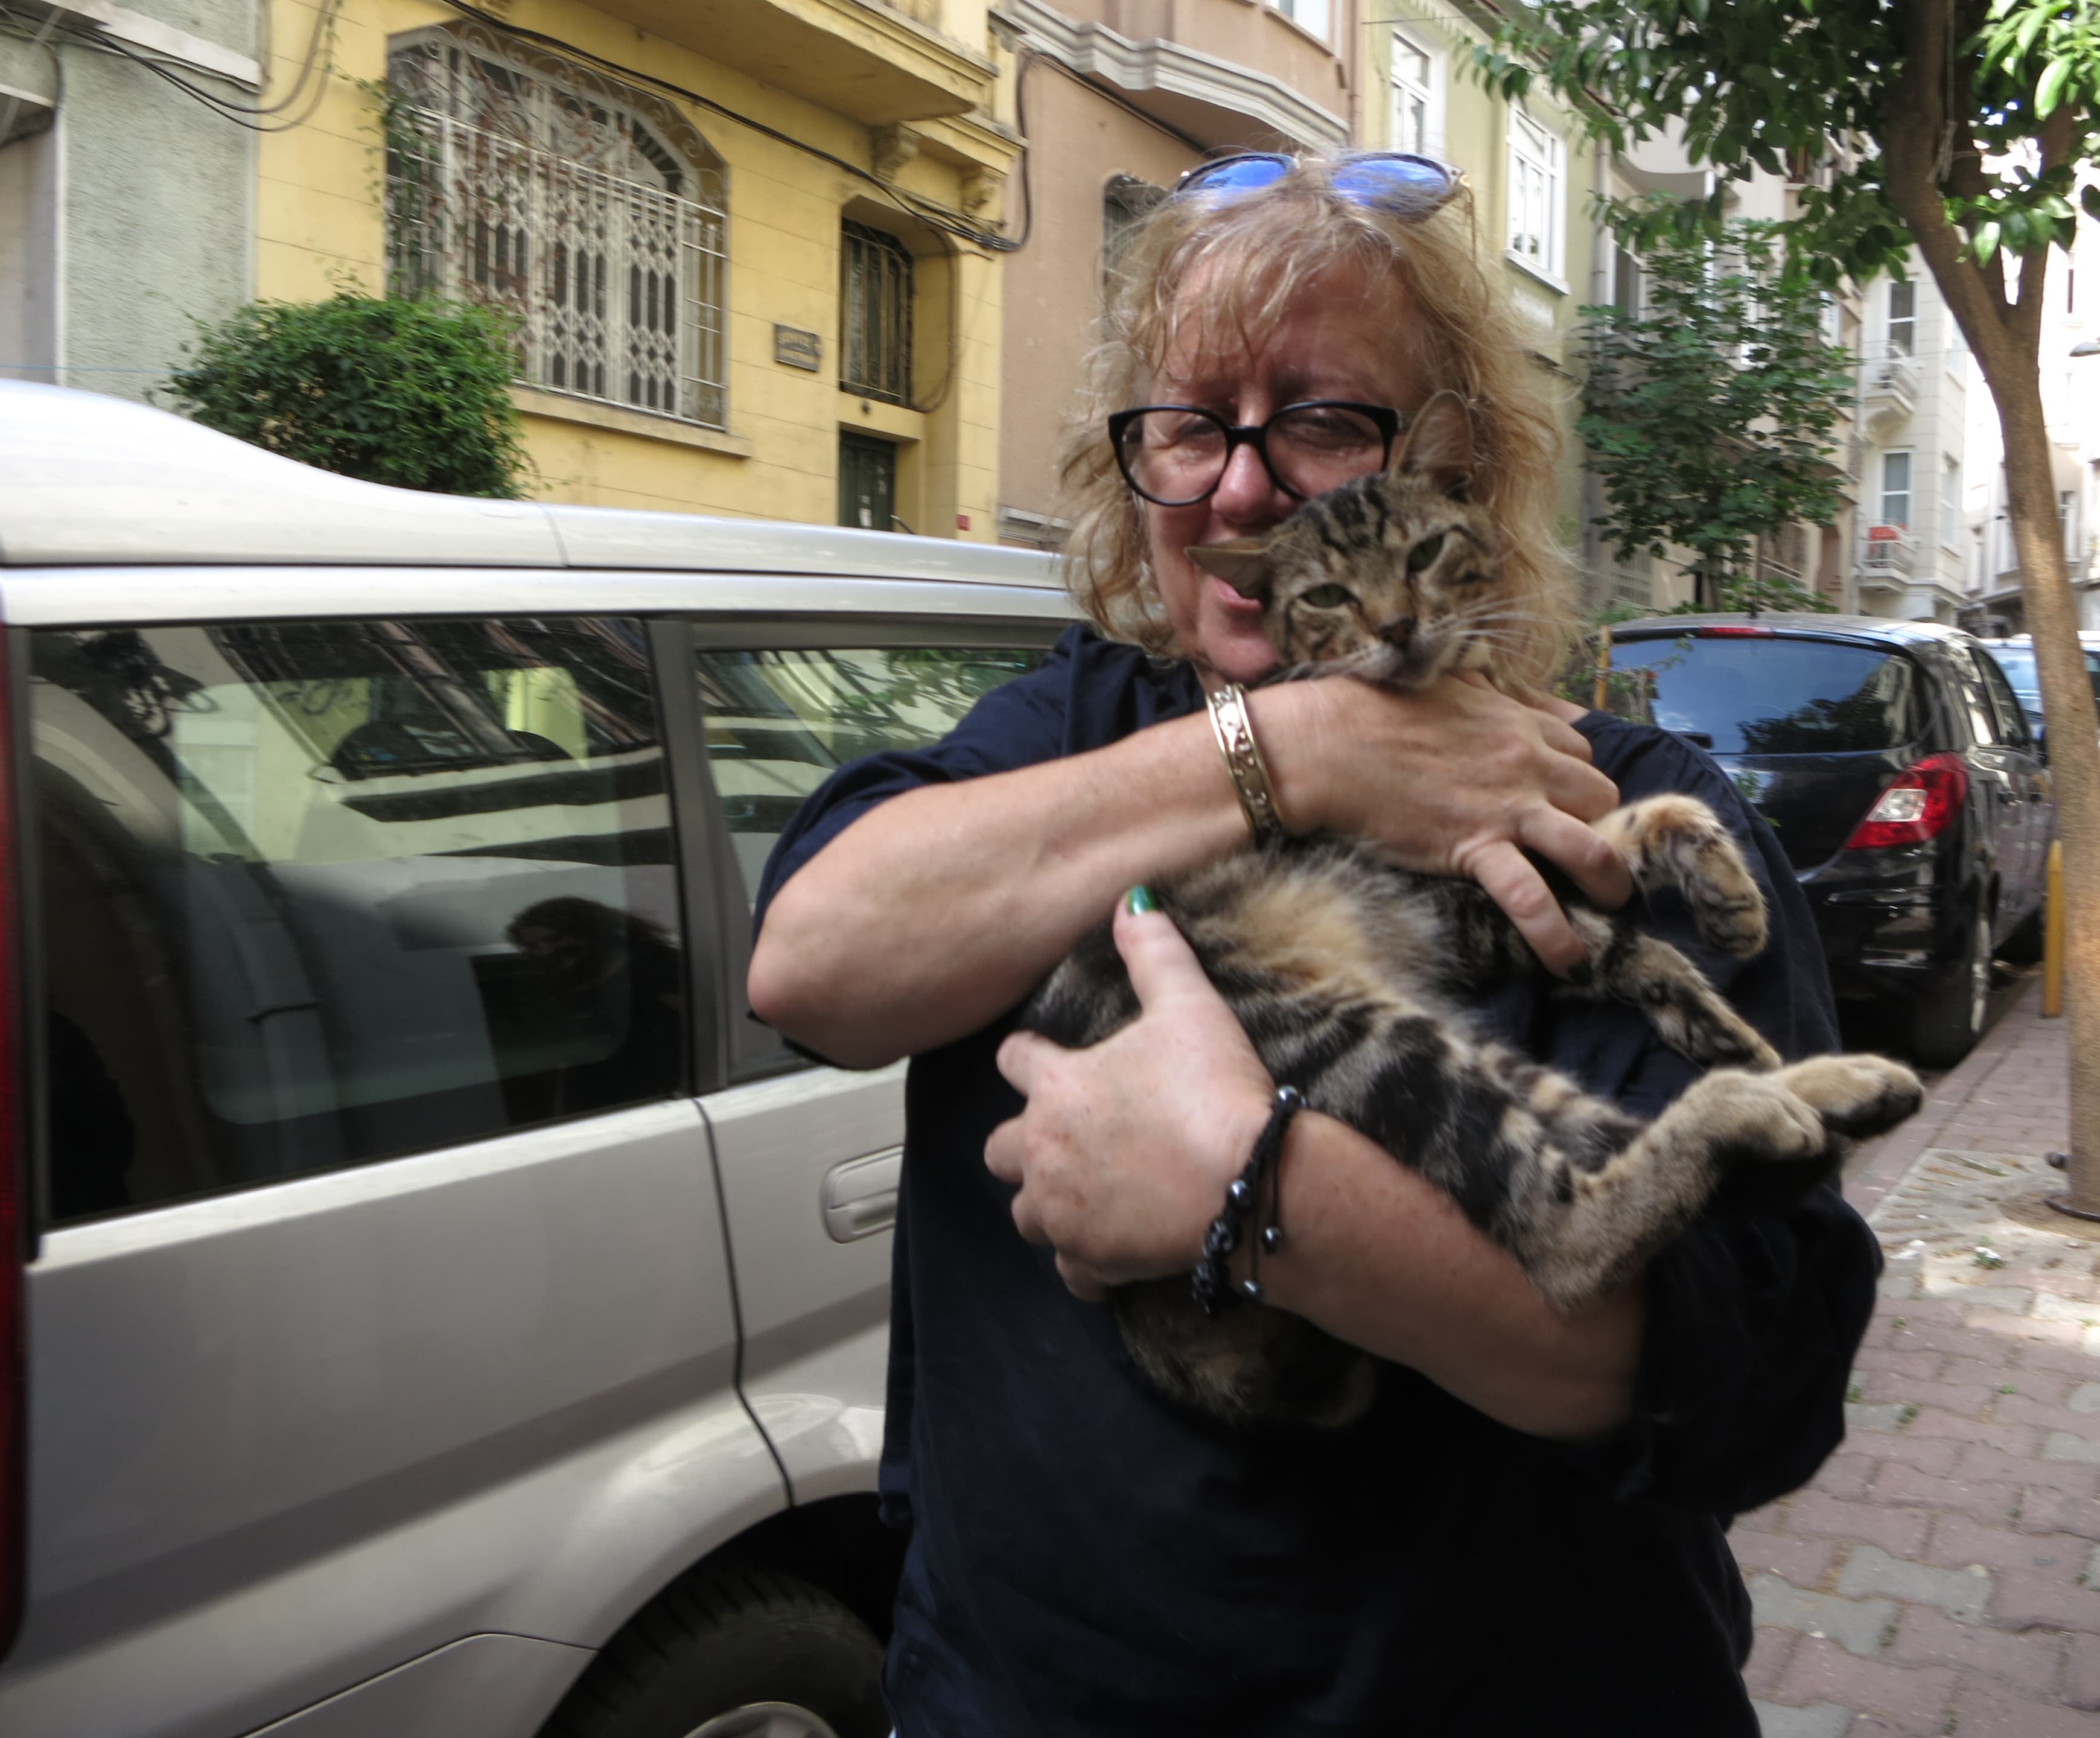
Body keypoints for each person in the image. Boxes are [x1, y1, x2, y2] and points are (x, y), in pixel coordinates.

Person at [749, 153, 1879, 1734]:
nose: (1236, 487)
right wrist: (1295, 755)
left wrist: (1260, 1191)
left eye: (1326, 421)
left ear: (1460, 465)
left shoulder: (1621, 811)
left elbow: (1755, 1376)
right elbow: (812, 962)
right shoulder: (1062, 735)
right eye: (1187, 424)